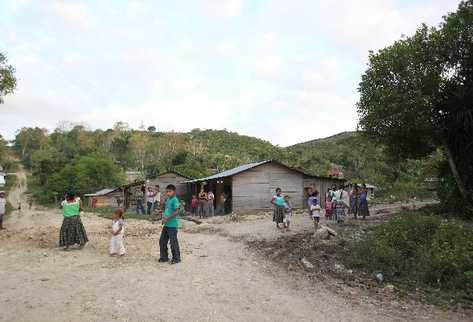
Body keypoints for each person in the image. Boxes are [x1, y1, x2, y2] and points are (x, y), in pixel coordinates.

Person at [159, 184, 181, 264]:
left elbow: (177, 211)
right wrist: (163, 218)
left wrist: (168, 218)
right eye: (167, 191)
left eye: (169, 191)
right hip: (166, 224)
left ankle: (176, 258)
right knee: (162, 241)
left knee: (173, 242)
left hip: (172, 225)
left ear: (174, 192)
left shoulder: (175, 200)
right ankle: (164, 257)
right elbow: (167, 210)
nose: (168, 193)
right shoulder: (168, 200)